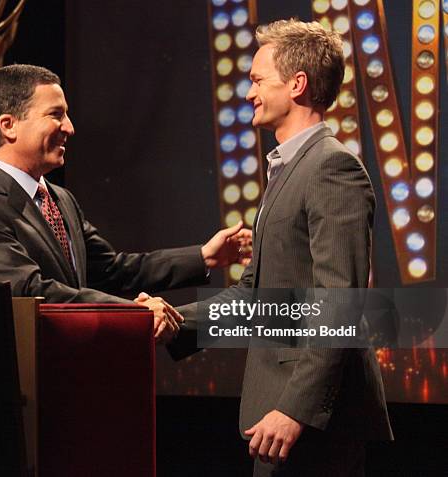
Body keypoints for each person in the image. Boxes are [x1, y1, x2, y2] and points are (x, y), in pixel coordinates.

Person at [155, 19, 392, 475]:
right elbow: (255, 297)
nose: (249, 94)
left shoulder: (331, 166)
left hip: (311, 421)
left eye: (258, 80)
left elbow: (338, 301)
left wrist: (297, 409)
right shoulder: (289, 169)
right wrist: (176, 323)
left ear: (298, 84)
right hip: (279, 415)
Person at [0, 64, 251, 341]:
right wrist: (136, 313)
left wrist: (203, 257)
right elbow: (32, 292)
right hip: (24, 388)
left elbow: (111, 271)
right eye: (56, 114)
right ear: (9, 125)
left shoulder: (60, 199)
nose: (69, 127)